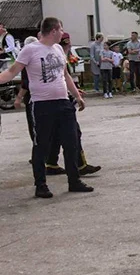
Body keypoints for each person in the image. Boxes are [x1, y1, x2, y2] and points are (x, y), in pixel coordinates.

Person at [0, 17, 94, 198]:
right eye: (61, 30)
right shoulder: (30, 50)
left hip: (63, 103)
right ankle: (41, 185)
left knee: (71, 142)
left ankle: (74, 181)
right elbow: (12, 72)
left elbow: (64, 74)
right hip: (42, 105)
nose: (62, 33)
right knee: (41, 145)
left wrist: (76, 96)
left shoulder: (58, 49)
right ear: (53, 31)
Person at [41, 31, 102, 176]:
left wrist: (74, 90)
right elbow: (62, 78)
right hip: (61, 100)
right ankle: (80, 166)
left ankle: (51, 163)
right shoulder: (58, 56)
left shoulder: (52, 54)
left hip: (51, 100)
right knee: (73, 132)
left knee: (55, 133)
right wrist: (73, 93)